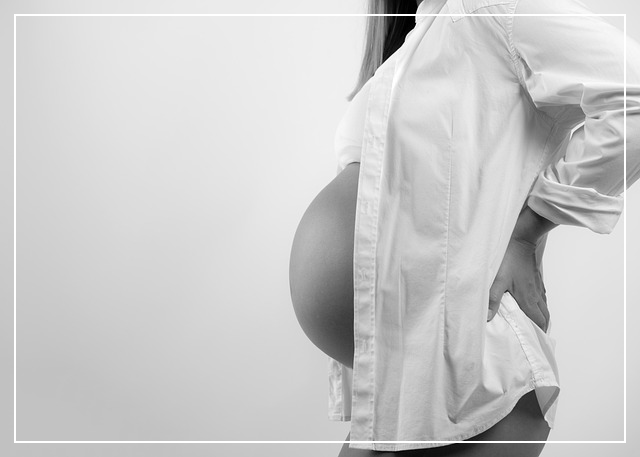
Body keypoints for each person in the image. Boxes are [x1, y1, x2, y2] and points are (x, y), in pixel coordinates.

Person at [288, 0, 640, 455]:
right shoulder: (417, 40)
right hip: (403, 378)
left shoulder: (493, 10)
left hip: (468, 368)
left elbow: (634, 94)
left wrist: (528, 230)